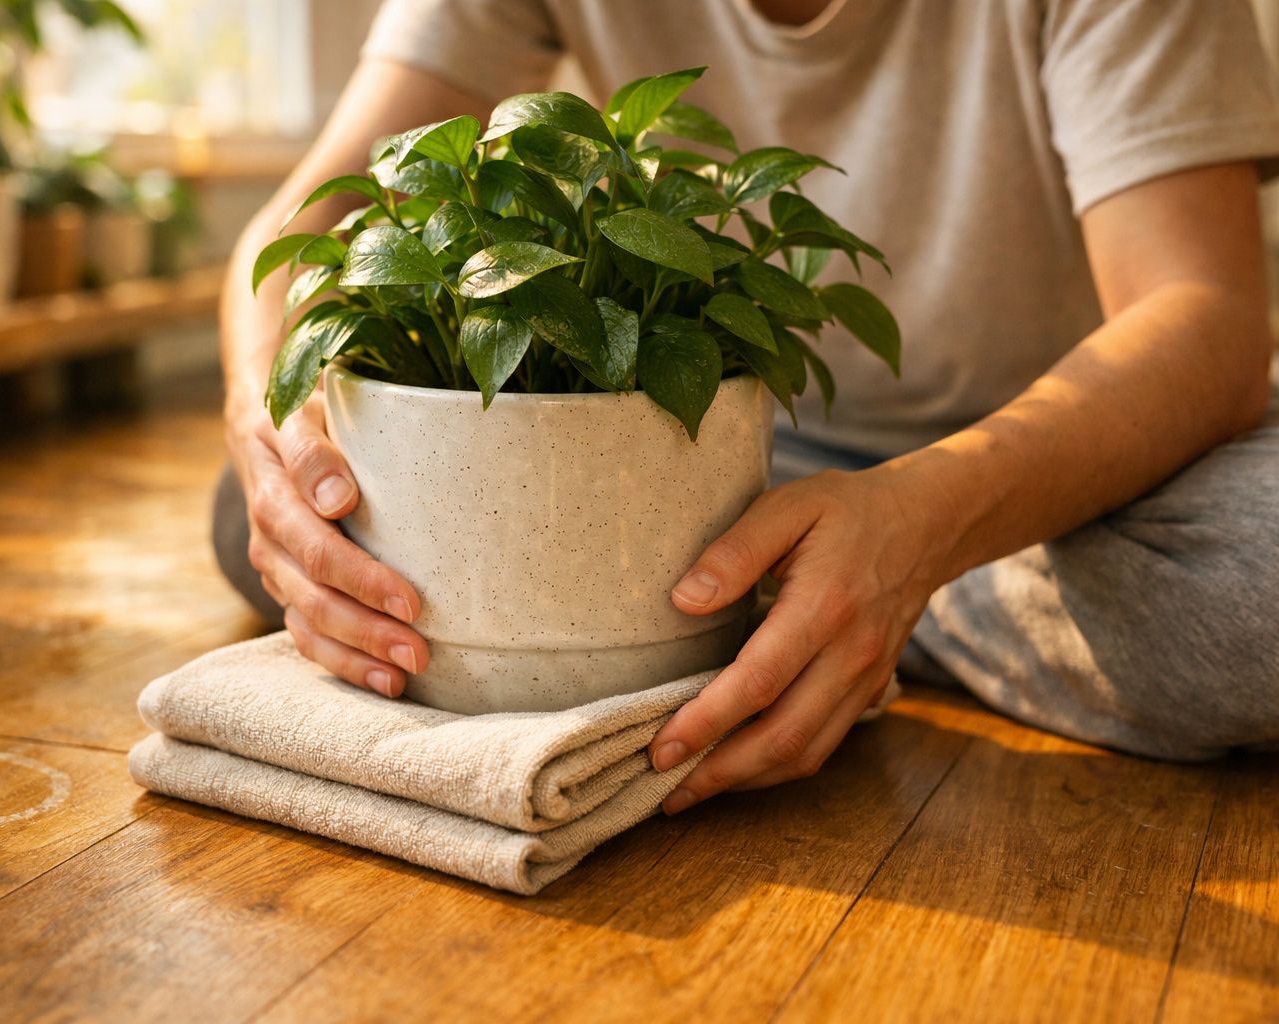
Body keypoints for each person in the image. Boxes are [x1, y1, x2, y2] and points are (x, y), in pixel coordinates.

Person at [215, 0, 1279, 815]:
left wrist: (920, 529)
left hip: (1052, 481)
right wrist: (275, 436)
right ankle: (796, 606)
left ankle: (823, 604)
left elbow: (1209, 314)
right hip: (724, 463)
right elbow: (320, 205)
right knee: (265, 513)